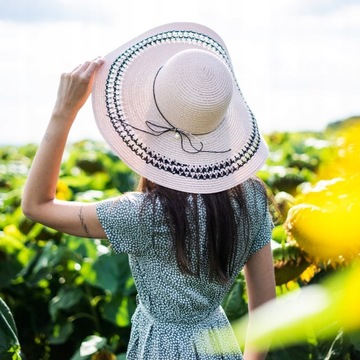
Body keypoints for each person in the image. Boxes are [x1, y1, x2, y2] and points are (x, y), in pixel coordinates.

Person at [22, 22, 276, 360]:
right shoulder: (252, 200)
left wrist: (62, 112)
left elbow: (36, 205)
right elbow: (266, 311)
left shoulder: (143, 214)